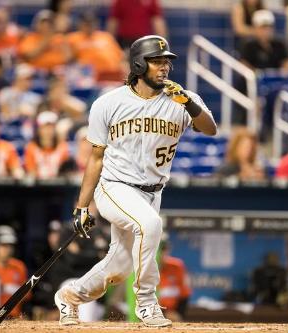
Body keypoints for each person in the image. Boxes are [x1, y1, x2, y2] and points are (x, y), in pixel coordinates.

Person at [53, 35, 217, 327]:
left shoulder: (181, 99)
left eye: (166, 61)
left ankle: (70, 297)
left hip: (153, 193)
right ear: (140, 64)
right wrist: (82, 206)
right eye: (157, 61)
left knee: (120, 265)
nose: (164, 67)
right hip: (115, 186)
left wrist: (188, 103)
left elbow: (210, 129)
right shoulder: (108, 103)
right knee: (151, 225)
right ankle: (146, 303)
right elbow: (95, 158)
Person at [0, 225, 30, 319]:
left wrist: (18, 291)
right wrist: (1, 288)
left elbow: (28, 295)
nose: (7, 249)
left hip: (14, 318)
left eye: (10, 245)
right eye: (3, 245)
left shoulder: (19, 266)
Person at [158, 234, 191, 322]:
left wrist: (175, 313)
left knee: (174, 318)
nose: (161, 253)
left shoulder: (177, 266)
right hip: (149, 311)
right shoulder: (143, 267)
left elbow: (184, 294)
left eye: (163, 249)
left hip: (172, 311)